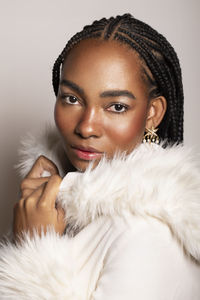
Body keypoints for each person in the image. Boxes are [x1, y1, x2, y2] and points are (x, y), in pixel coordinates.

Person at [0, 13, 200, 299]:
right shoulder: (50, 205)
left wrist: (36, 247)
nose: (86, 126)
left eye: (116, 106)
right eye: (72, 98)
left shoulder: (146, 234)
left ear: (152, 114)